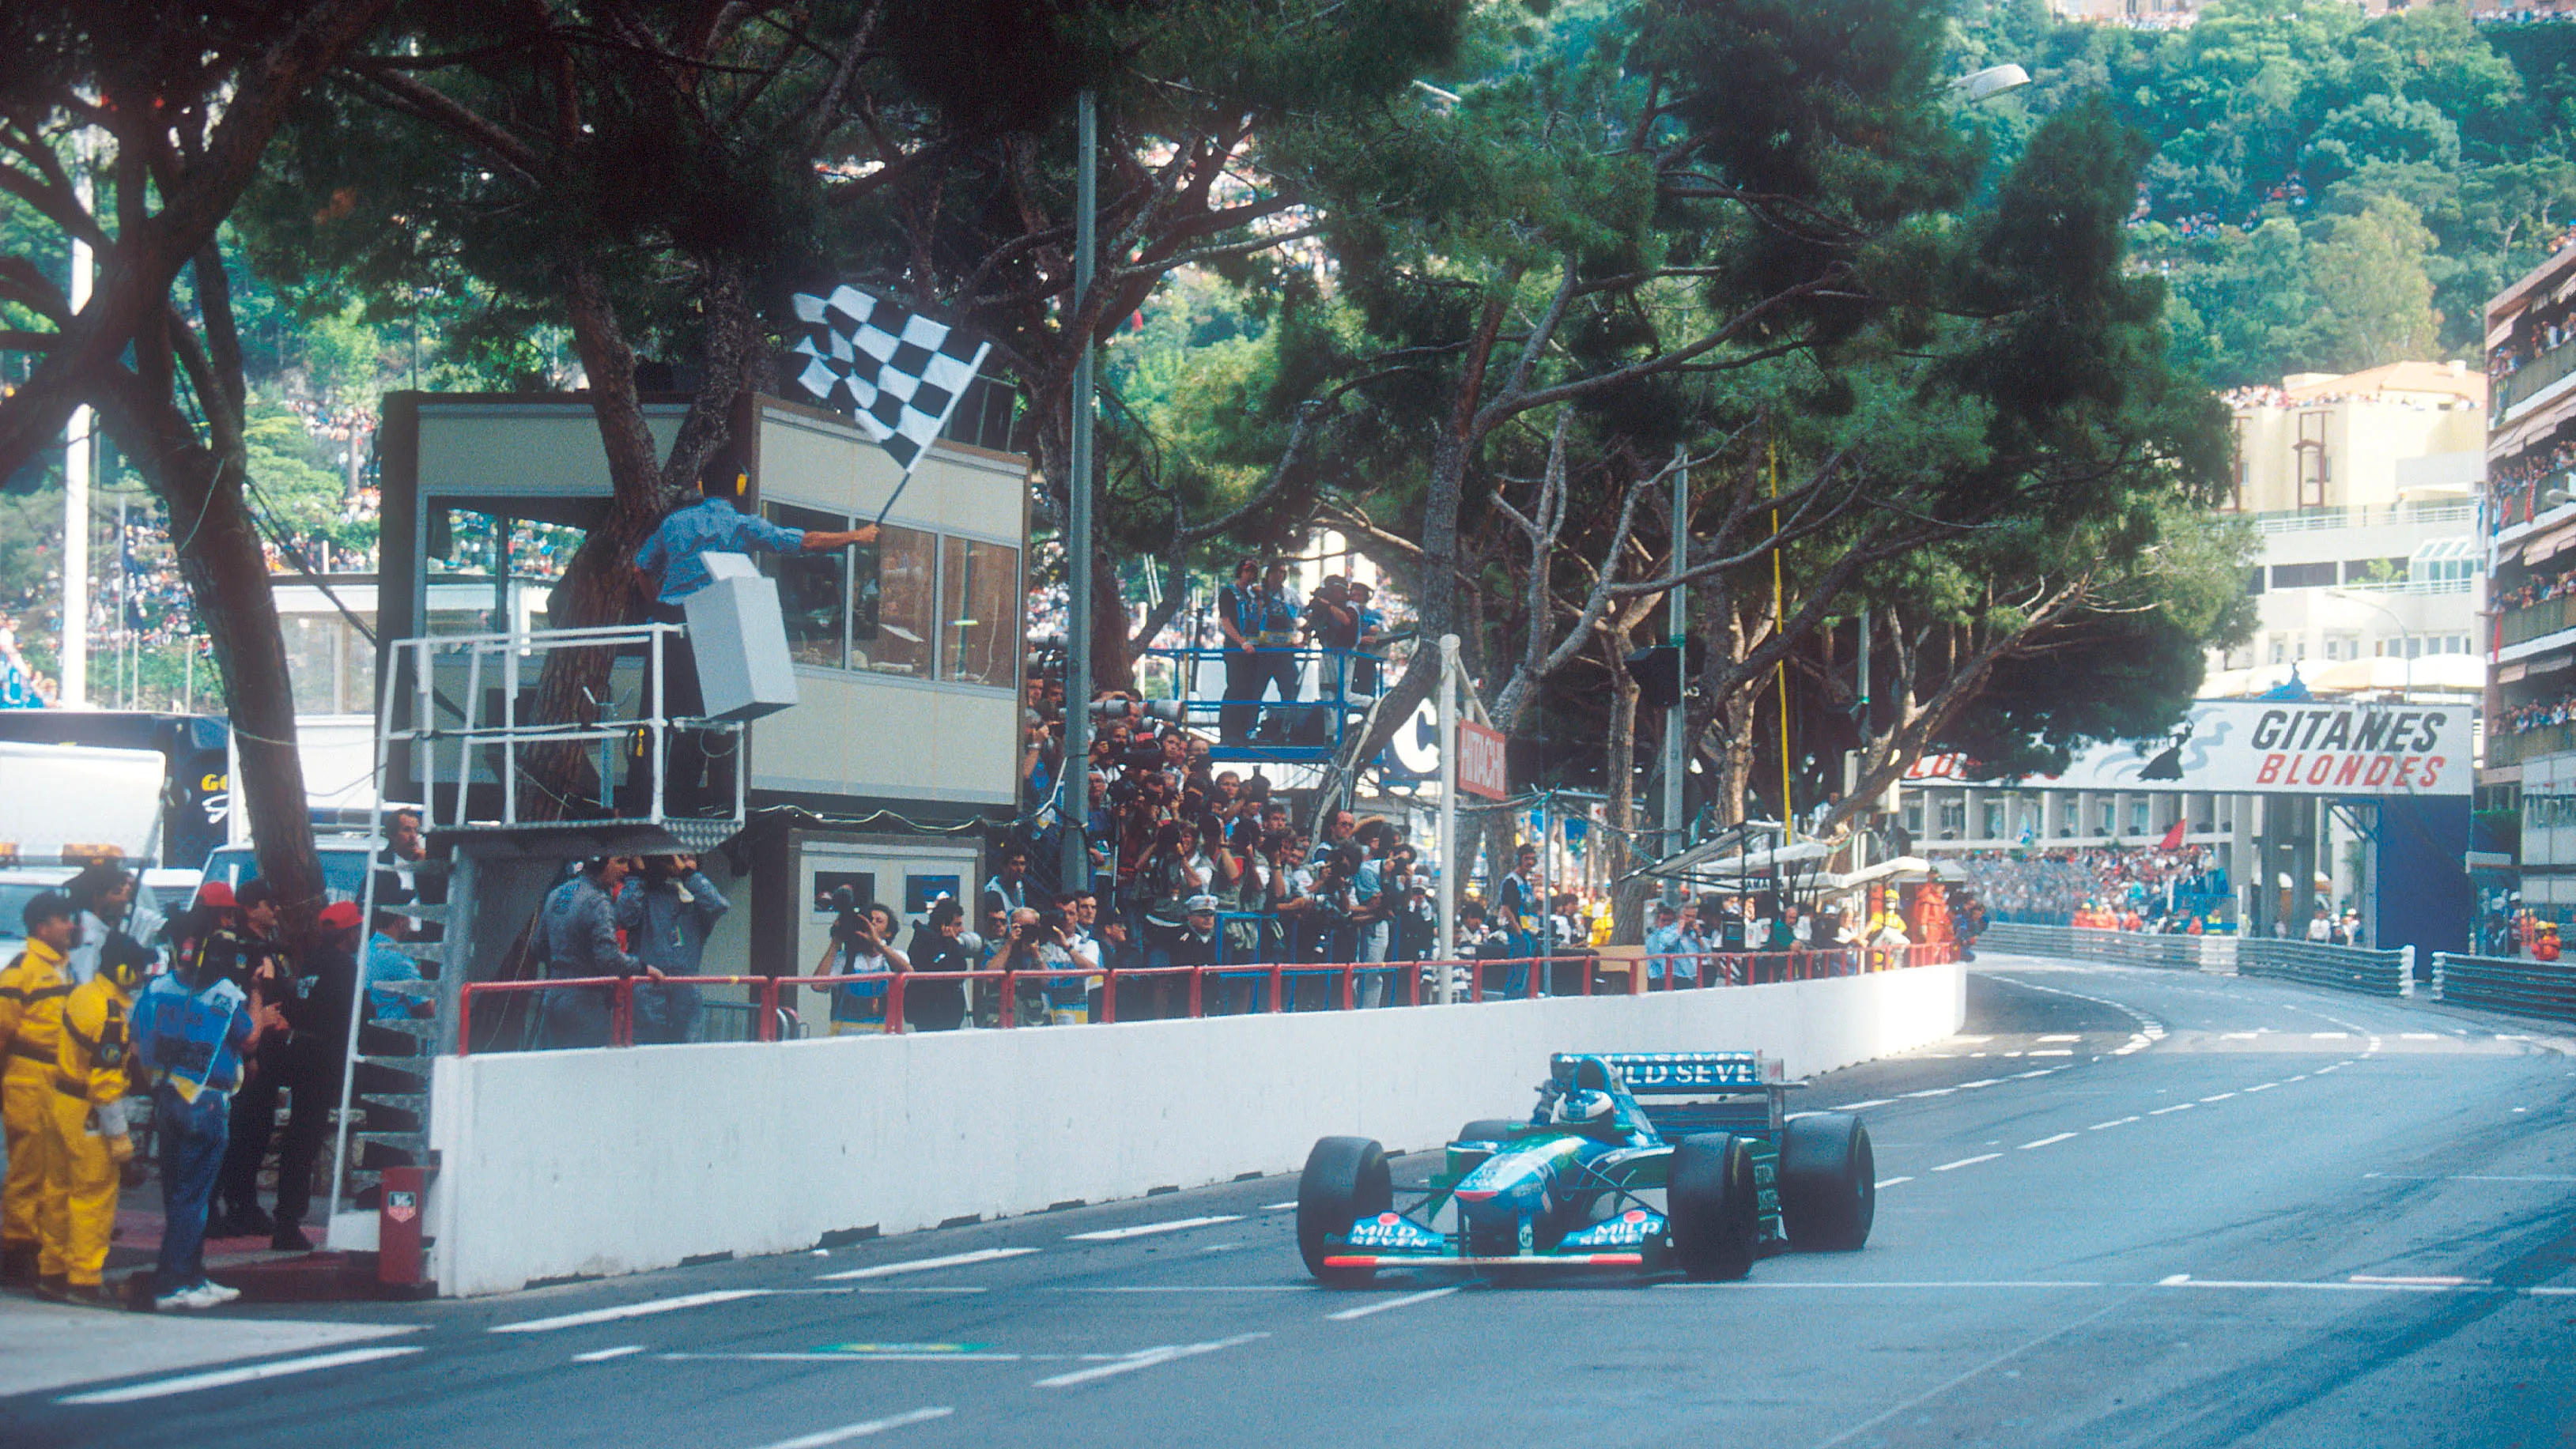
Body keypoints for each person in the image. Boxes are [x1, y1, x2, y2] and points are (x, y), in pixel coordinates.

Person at [633, 461, 878, 809]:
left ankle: (641, 799)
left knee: (654, 715)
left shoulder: (675, 522)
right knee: (700, 716)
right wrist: (856, 536)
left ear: (701, 487)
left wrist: (657, 603)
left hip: (665, 623)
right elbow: (803, 542)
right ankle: (681, 801)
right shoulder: (740, 525)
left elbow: (641, 567)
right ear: (739, 490)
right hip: (707, 625)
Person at [131, 906, 266, 1311]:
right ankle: (175, 1283)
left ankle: (190, 1274)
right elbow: (251, 1039)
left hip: (168, 1096)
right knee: (195, 1197)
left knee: (179, 1194)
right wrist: (257, 991)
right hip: (206, 1100)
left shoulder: (155, 990)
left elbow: (138, 1047)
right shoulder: (225, 995)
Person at [36, 926, 150, 1307]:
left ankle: (51, 1271)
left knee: (57, 1191)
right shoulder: (112, 1017)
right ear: (123, 972)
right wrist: (122, 1146)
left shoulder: (82, 993)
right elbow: (105, 1089)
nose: (144, 976)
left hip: (60, 1103)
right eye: (139, 969)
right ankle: (83, 1279)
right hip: (90, 1115)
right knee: (92, 1198)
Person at [0, 892, 77, 1287]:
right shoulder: (20, 971)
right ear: (41, 928)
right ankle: (16, 1248)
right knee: (28, 1168)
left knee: (54, 1167)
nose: (70, 926)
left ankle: (43, 1245)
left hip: (59, 1079)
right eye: (62, 920)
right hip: (27, 1078)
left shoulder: (65, 969)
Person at [212, 879, 296, 1240]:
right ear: (251, 907)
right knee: (236, 1134)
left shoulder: (272, 947)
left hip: (271, 1048)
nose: (275, 910)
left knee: (259, 1132)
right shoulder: (239, 949)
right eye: (269, 903)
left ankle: (246, 1204)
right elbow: (236, 1000)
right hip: (246, 1050)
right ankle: (223, 1207)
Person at [540, 856, 662, 1047]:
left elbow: (538, 946)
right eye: (620, 862)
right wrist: (644, 968)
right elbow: (610, 960)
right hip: (586, 1001)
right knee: (589, 1070)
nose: (626, 870)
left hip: (554, 995)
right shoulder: (598, 902)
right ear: (601, 865)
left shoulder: (556, 894)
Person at [617, 854, 729, 1044]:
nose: (681, 862)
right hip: (647, 990)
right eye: (677, 857)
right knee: (647, 1055)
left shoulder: (697, 901)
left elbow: (718, 905)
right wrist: (638, 875)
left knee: (685, 1058)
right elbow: (623, 916)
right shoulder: (646, 894)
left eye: (689, 858)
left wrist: (687, 874)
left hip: (685, 989)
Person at [815, 898, 910, 1034]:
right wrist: (836, 942)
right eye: (869, 920)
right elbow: (818, 986)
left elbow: (909, 972)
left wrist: (878, 943)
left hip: (883, 1041)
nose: (872, 923)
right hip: (844, 1040)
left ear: (888, 933)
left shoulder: (895, 958)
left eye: (879, 921)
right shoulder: (846, 959)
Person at [902, 898, 974, 1032]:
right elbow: (955, 971)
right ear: (944, 925)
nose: (962, 930)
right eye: (957, 925)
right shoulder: (925, 941)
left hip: (948, 1014)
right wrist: (952, 945)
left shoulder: (942, 942)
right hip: (930, 1013)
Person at [1215, 557, 1266, 745]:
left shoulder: (1251, 595)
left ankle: (1244, 730)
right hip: (1236, 648)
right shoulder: (1229, 593)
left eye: (1253, 572)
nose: (1249, 576)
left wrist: (1260, 598)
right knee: (1235, 688)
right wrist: (1241, 642)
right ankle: (1228, 731)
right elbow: (1226, 621)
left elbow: (1259, 616)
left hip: (1252, 648)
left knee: (1249, 691)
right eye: (1247, 572)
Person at [980, 845, 1033, 941]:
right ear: (1004, 866)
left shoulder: (1019, 886)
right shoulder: (993, 891)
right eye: (1014, 864)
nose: (1019, 868)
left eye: (1022, 864)